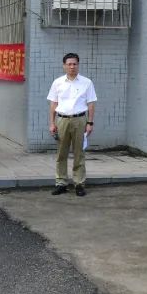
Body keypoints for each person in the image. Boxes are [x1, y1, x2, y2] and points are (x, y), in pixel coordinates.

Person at [47, 53, 97, 197]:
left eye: (74, 64)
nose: (72, 66)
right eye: (69, 64)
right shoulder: (57, 83)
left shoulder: (86, 82)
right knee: (61, 153)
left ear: (78, 65)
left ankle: (79, 183)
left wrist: (90, 122)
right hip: (62, 120)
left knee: (79, 153)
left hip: (80, 120)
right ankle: (61, 182)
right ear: (64, 66)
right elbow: (53, 104)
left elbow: (91, 103)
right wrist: (52, 123)